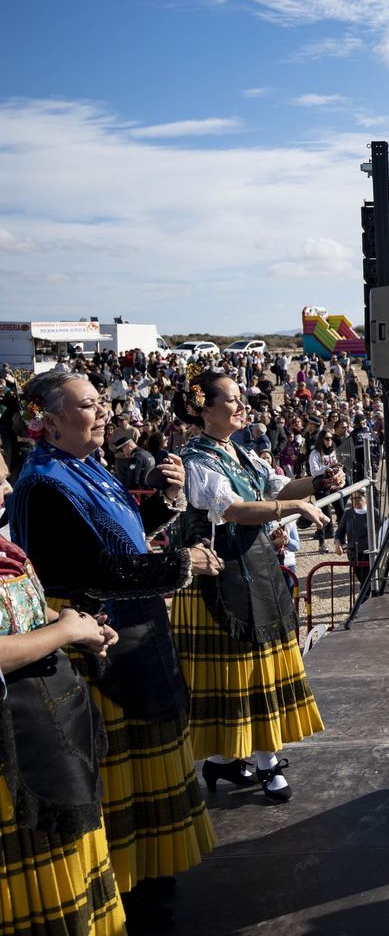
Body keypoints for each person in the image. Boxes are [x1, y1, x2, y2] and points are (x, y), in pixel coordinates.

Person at [11, 368, 220, 927]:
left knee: (148, 763)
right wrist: (180, 563)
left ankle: (150, 877)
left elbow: (118, 537)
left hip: (132, 633)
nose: (104, 411)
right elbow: (95, 569)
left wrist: (167, 501)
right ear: (49, 422)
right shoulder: (44, 484)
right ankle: (133, 889)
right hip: (101, 645)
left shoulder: (83, 466)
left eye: (101, 401)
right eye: (88, 405)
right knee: (125, 774)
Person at [175, 369, 335, 805]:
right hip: (220, 577)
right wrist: (293, 505)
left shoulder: (240, 452)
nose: (241, 405)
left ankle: (225, 759)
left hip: (255, 567)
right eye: (231, 399)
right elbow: (233, 510)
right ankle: (266, 763)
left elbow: (277, 488)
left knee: (254, 669)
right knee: (244, 671)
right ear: (204, 410)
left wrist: (318, 483)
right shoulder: (195, 459)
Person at [0, 451, 127, 936]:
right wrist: (66, 632)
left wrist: (77, 624)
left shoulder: (5, 548)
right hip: (12, 750)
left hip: (48, 730)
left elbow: (24, 614)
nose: (8, 490)